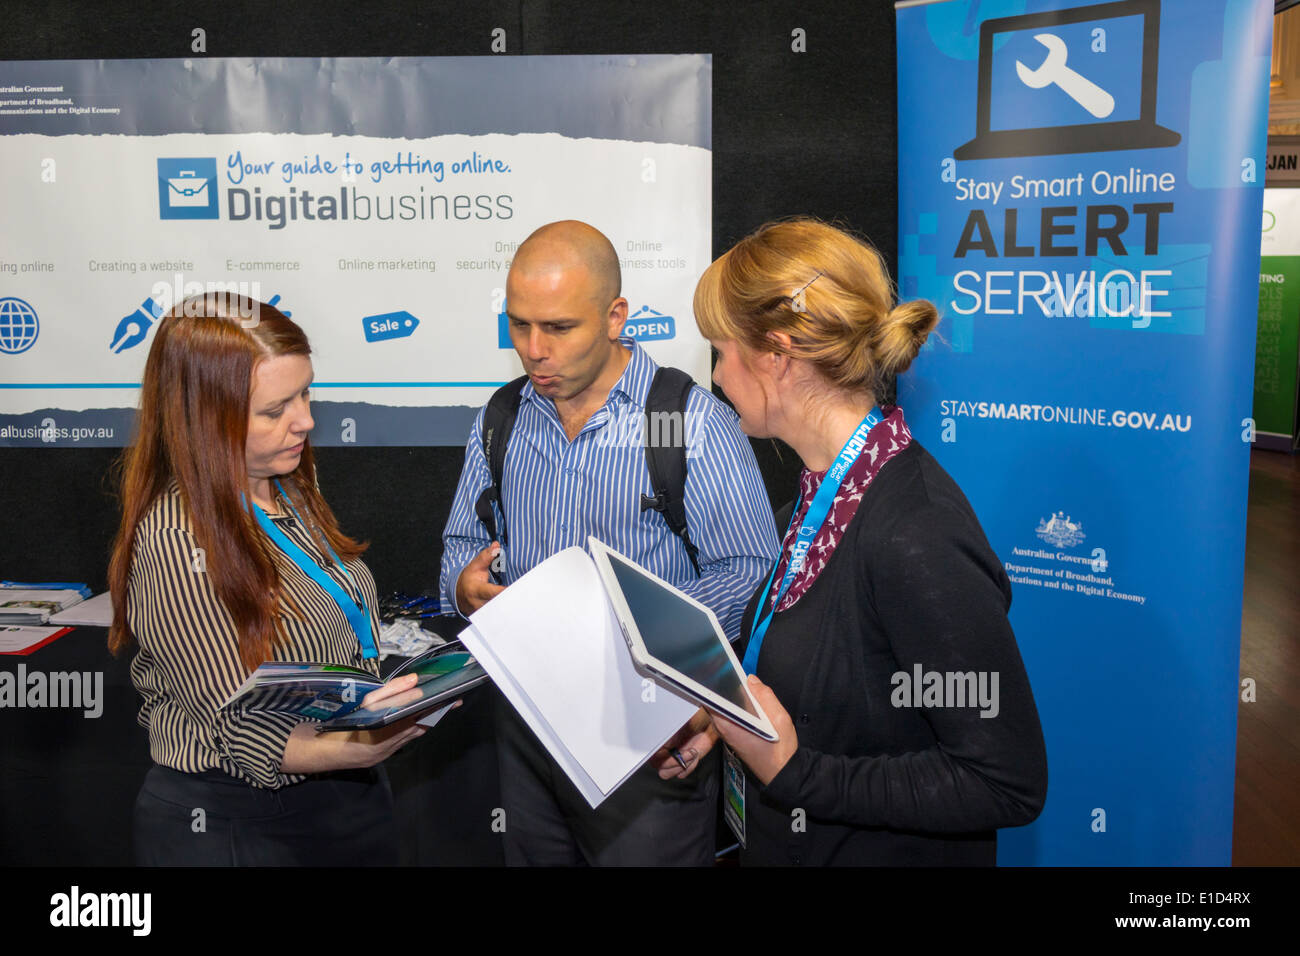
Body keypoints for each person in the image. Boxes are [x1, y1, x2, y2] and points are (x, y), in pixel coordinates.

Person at [689, 218, 1048, 865]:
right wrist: (725, 720)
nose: (716, 376)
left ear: (776, 353)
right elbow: (844, 698)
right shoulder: (820, 493)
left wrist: (796, 772)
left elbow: (1004, 781)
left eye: (720, 350)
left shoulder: (915, 535)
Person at [439, 220, 779, 865]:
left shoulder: (688, 422)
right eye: (519, 325)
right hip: (526, 727)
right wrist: (463, 586)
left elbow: (750, 568)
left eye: (559, 328)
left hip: (647, 732)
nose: (534, 350)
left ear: (616, 315)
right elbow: (460, 545)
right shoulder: (501, 418)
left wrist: (645, 648)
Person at [107, 293, 426, 866]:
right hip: (239, 824)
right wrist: (357, 745)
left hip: (339, 803)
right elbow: (238, 725)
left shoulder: (289, 485)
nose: (304, 419)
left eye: (305, 393)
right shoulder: (178, 538)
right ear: (205, 418)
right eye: (275, 409)